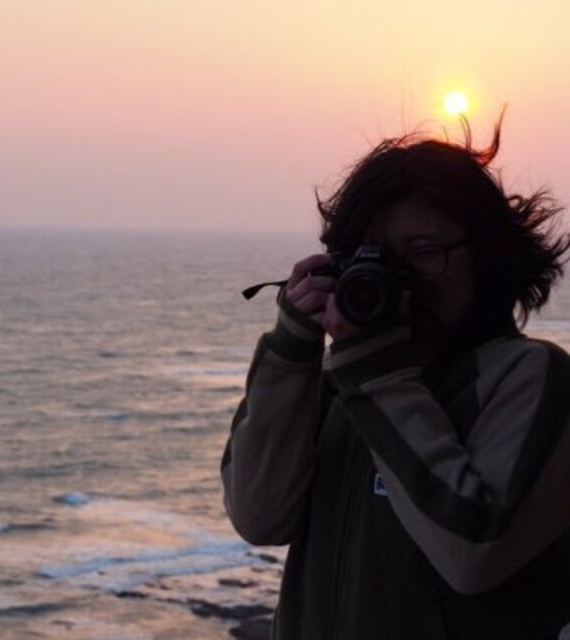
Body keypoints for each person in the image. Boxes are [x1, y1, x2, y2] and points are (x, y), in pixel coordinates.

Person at [221, 118, 570, 639]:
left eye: (423, 253)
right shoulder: (343, 385)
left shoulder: (531, 378)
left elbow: (474, 554)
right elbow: (258, 516)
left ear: (486, 255)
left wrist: (378, 377)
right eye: (374, 258)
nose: (397, 277)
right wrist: (291, 351)